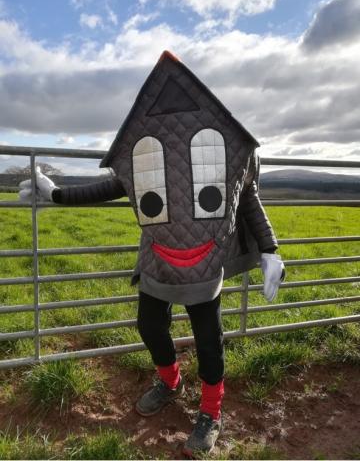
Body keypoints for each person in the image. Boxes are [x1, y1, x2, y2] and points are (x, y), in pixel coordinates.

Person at [19, 51, 285, 457]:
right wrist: (53, 192)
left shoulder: (233, 153)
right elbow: (108, 187)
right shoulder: (144, 158)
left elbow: (245, 197)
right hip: (158, 260)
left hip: (203, 265)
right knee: (149, 325)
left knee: (209, 340)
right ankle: (171, 380)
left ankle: (211, 412)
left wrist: (270, 249)